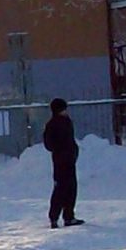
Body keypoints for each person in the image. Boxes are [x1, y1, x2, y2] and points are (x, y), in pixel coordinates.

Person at [42, 97, 83, 228]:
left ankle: (68, 216)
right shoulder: (53, 124)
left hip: (69, 160)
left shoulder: (66, 122)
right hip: (61, 161)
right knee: (61, 188)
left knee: (70, 189)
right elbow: (49, 144)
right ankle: (54, 217)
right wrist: (61, 150)